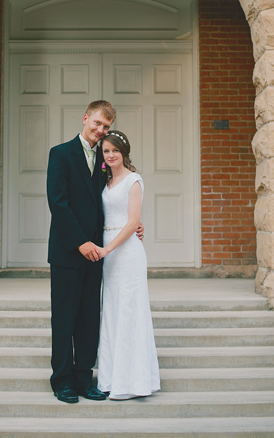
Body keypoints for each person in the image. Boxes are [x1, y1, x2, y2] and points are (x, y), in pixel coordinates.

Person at [46, 100, 115, 403]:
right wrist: (79, 242)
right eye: (98, 123)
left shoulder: (106, 157)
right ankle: (62, 381)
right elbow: (58, 203)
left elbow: (112, 198)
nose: (101, 130)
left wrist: (131, 225)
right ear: (86, 118)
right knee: (65, 318)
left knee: (89, 319)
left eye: (107, 127)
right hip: (67, 252)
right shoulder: (60, 154)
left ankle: (84, 380)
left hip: (96, 253)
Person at [95, 130, 160, 400]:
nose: (110, 155)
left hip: (126, 253)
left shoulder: (134, 180)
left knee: (130, 312)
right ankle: (111, 379)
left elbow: (133, 221)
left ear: (124, 153)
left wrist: (107, 248)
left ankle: (133, 382)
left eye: (115, 151)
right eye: (106, 151)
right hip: (108, 255)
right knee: (112, 312)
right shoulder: (104, 180)